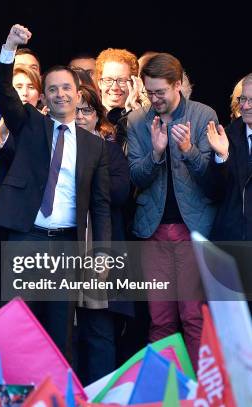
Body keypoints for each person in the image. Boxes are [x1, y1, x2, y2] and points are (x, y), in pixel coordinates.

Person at [0, 24, 111, 360]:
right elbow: (2, 90)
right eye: (52, 89)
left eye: (66, 88)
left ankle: (57, 394)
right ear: (43, 96)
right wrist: (10, 47)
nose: (60, 94)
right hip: (27, 236)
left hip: (68, 241)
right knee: (15, 325)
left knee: (60, 331)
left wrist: (101, 252)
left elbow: (100, 206)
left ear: (79, 93)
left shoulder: (94, 146)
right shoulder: (30, 123)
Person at [127, 53, 218, 369]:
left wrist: (188, 150)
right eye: (149, 92)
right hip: (153, 232)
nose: (154, 99)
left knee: (193, 316)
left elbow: (213, 180)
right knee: (160, 318)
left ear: (178, 85)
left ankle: (199, 392)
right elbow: (136, 177)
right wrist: (156, 153)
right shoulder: (138, 120)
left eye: (160, 92)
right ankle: (163, 389)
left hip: (193, 231)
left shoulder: (203, 114)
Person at [74, 84, 131, 383]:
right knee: (63, 330)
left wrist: (91, 174)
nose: (81, 116)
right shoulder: (56, 148)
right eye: (76, 110)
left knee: (99, 331)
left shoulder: (109, 150)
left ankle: (102, 397)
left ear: (98, 116)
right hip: (63, 246)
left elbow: (122, 192)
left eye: (87, 111)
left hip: (100, 246)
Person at [205, 73, 252, 300]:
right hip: (232, 246)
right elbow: (213, 192)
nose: (245, 106)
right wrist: (221, 157)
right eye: (243, 99)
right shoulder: (226, 135)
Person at [94, 48, 142, 152]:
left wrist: (133, 114)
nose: (115, 87)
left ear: (133, 83)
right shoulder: (86, 116)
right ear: (99, 83)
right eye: (108, 80)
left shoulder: (142, 118)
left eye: (122, 81)